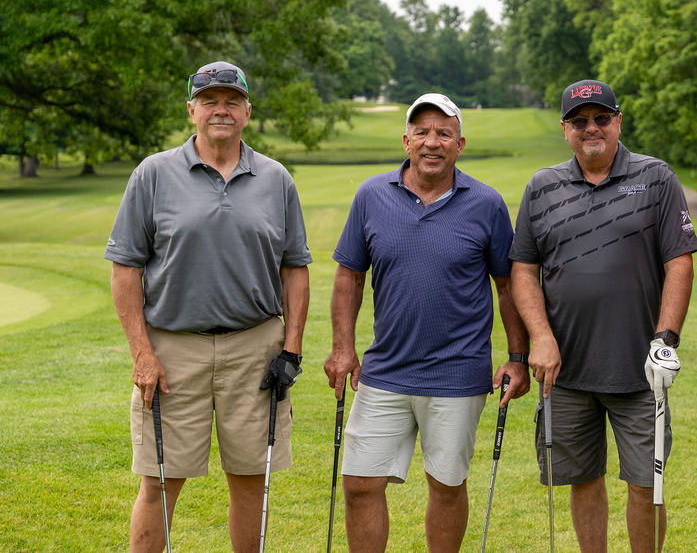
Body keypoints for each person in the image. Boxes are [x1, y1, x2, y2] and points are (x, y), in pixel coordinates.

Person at [105, 61, 312, 552]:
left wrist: (291, 350)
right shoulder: (153, 173)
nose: (222, 110)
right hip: (173, 351)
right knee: (159, 481)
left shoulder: (276, 178)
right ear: (191, 110)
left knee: (250, 480)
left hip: (255, 349)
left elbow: (295, 268)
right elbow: (125, 269)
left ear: (247, 112)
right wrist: (142, 354)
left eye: (232, 101)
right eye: (210, 101)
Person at [323, 93, 530, 552]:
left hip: (457, 373)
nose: (432, 142)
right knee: (359, 483)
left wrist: (518, 357)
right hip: (386, 370)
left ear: (460, 145)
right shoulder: (371, 195)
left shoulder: (487, 203)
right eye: (422, 132)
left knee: (447, 486)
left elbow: (507, 285)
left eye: (444, 133)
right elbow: (349, 275)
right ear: (406, 141)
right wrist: (342, 348)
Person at [509, 79, 697, 552]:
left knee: (646, 484)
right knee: (582, 478)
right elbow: (523, 271)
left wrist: (665, 339)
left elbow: (679, 263)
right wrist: (540, 338)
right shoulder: (542, 186)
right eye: (580, 121)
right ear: (565, 129)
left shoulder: (656, 178)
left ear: (618, 122)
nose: (591, 128)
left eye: (601, 118)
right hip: (567, 369)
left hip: (639, 369)